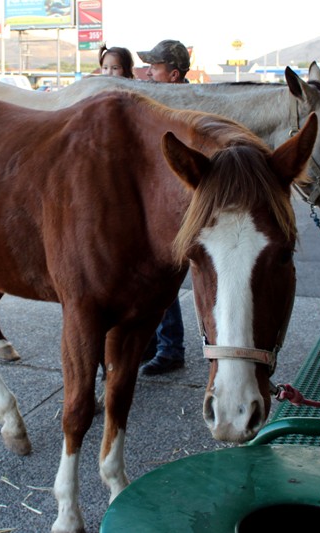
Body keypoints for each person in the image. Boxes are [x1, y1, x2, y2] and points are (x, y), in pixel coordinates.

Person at [137, 39, 191, 375]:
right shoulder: (168, 99)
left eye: (154, 67)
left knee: (163, 274)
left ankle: (171, 348)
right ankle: (158, 344)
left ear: (172, 74)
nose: (147, 72)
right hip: (162, 199)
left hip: (173, 203)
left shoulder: (183, 106)